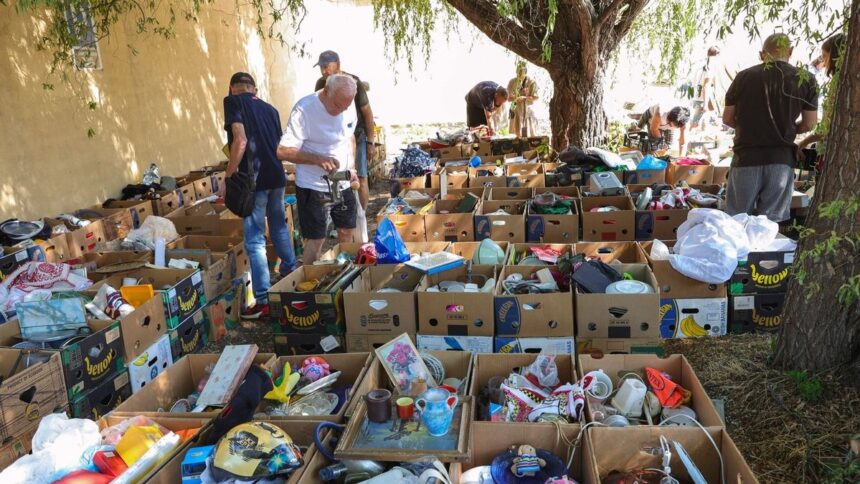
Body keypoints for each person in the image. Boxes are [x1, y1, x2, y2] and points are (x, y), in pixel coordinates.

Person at [222, 72, 297, 319]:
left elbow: (240, 140)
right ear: (254, 89)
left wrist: (228, 176)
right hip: (276, 176)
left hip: (253, 180)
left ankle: (263, 300)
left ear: (232, 88)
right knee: (278, 226)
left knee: (254, 240)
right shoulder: (271, 110)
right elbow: (279, 145)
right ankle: (291, 274)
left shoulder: (232, 102)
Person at [723, 33, 818, 223]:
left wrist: (749, 127)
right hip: (781, 160)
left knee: (736, 222)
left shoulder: (743, 77)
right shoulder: (806, 79)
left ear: (762, 54)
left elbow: (728, 118)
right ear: (790, 51)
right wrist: (789, 129)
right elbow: (810, 123)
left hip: (746, 157)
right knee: (769, 225)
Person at [278, 74, 359, 265]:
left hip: (343, 182)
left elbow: (350, 137)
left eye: (346, 107)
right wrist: (317, 159)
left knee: (347, 230)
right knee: (316, 239)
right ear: (326, 91)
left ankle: (348, 274)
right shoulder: (304, 110)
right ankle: (309, 277)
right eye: (338, 105)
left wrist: (351, 167)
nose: (342, 111)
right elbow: (282, 151)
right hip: (313, 186)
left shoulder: (347, 105)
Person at [313, 50, 375, 213]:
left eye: (326, 66)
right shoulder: (321, 84)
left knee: (360, 177)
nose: (324, 71)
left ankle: (362, 216)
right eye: (321, 67)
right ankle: (342, 214)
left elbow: (367, 113)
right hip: (334, 139)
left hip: (357, 136)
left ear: (338, 64)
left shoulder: (353, 82)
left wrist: (370, 141)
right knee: (336, 177)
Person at [797, 34, 844, 166]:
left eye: (824, 56)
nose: (823, 62)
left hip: (830, 155)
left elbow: (825, 128)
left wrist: (802, 143)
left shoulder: (838, 84)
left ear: (834, 56)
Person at [692, 46, 722, 129]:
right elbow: (706, 85)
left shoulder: (701, 64)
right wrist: (705, 105)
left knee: (713, 123)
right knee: (697, 123)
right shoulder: (710, 65)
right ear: (717, 54)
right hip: (704, 99)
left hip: (701, 97)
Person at [507, 61, 538, 137]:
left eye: (521, 71)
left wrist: (525, 98)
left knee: (530, 135)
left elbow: (536, 97)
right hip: (516, 111)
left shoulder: (532, 82)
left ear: (525, 71)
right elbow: (508, 98)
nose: (519, 73)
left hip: (528, 112)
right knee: (517, 136)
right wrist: (518, 96)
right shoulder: (512, 82)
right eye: (518, 70)